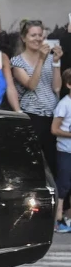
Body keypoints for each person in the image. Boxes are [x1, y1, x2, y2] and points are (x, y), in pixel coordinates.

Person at [11, 21, 63, 167]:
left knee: (52, 162)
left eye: (40, 35)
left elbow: (57, 87)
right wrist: (41, 59)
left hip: (51, 116)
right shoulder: (17, 61)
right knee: (33, 163)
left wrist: (56, 62)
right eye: (33, 35)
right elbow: (31, 85)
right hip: (32, 116)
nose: (38, 39)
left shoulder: (49, 58)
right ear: (23, 38)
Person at [52, 90, 71, 233]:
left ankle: (68, 218)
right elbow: (54, 129)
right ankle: (57, 220)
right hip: (65, 150)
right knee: (63, 184)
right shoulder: (64, 104)